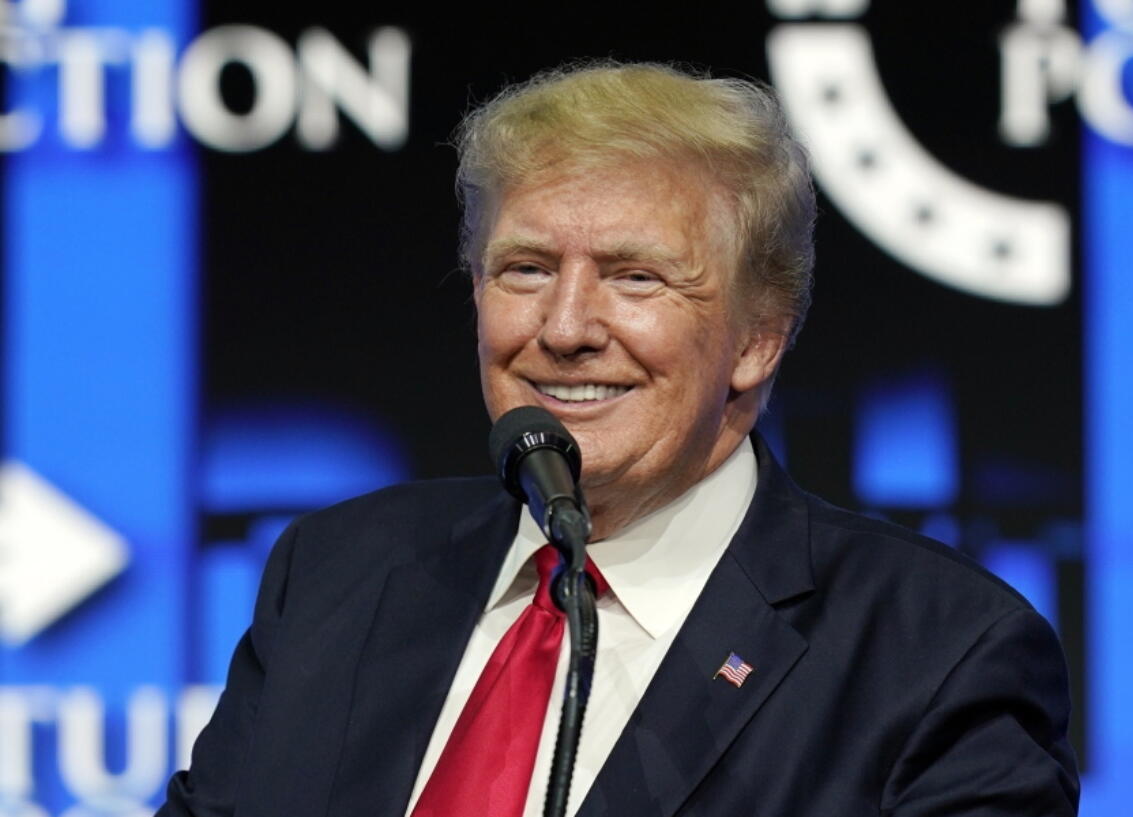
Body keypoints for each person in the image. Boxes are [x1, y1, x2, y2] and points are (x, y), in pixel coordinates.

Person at [158, 62, 1079, 817]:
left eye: (636, 278)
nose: (564, 328)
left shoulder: (938, 655)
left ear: (760, 335)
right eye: (525, 268)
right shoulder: (338, 570)